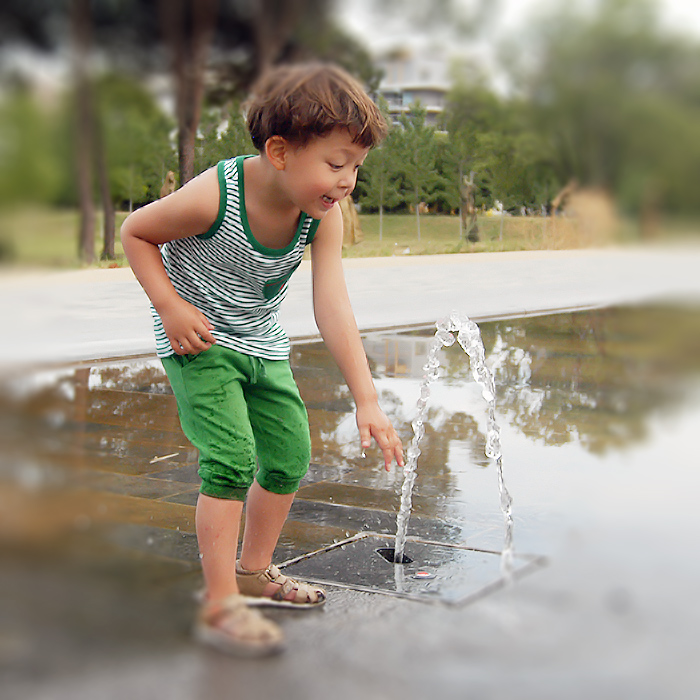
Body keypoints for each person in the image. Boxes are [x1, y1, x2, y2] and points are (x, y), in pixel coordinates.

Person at [120, 62, 404, 657]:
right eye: (336, 164)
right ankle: (221, 603)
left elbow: (332, 305)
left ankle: (253, 572)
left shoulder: (321, 215)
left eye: (356, 167)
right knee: (231, 459)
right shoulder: (216, 195)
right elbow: (136, 232)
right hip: (199, 341)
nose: (348, 181)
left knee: (289, 455)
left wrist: (367, 399)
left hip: (261, 342)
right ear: (279, 152)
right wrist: (169, 308)